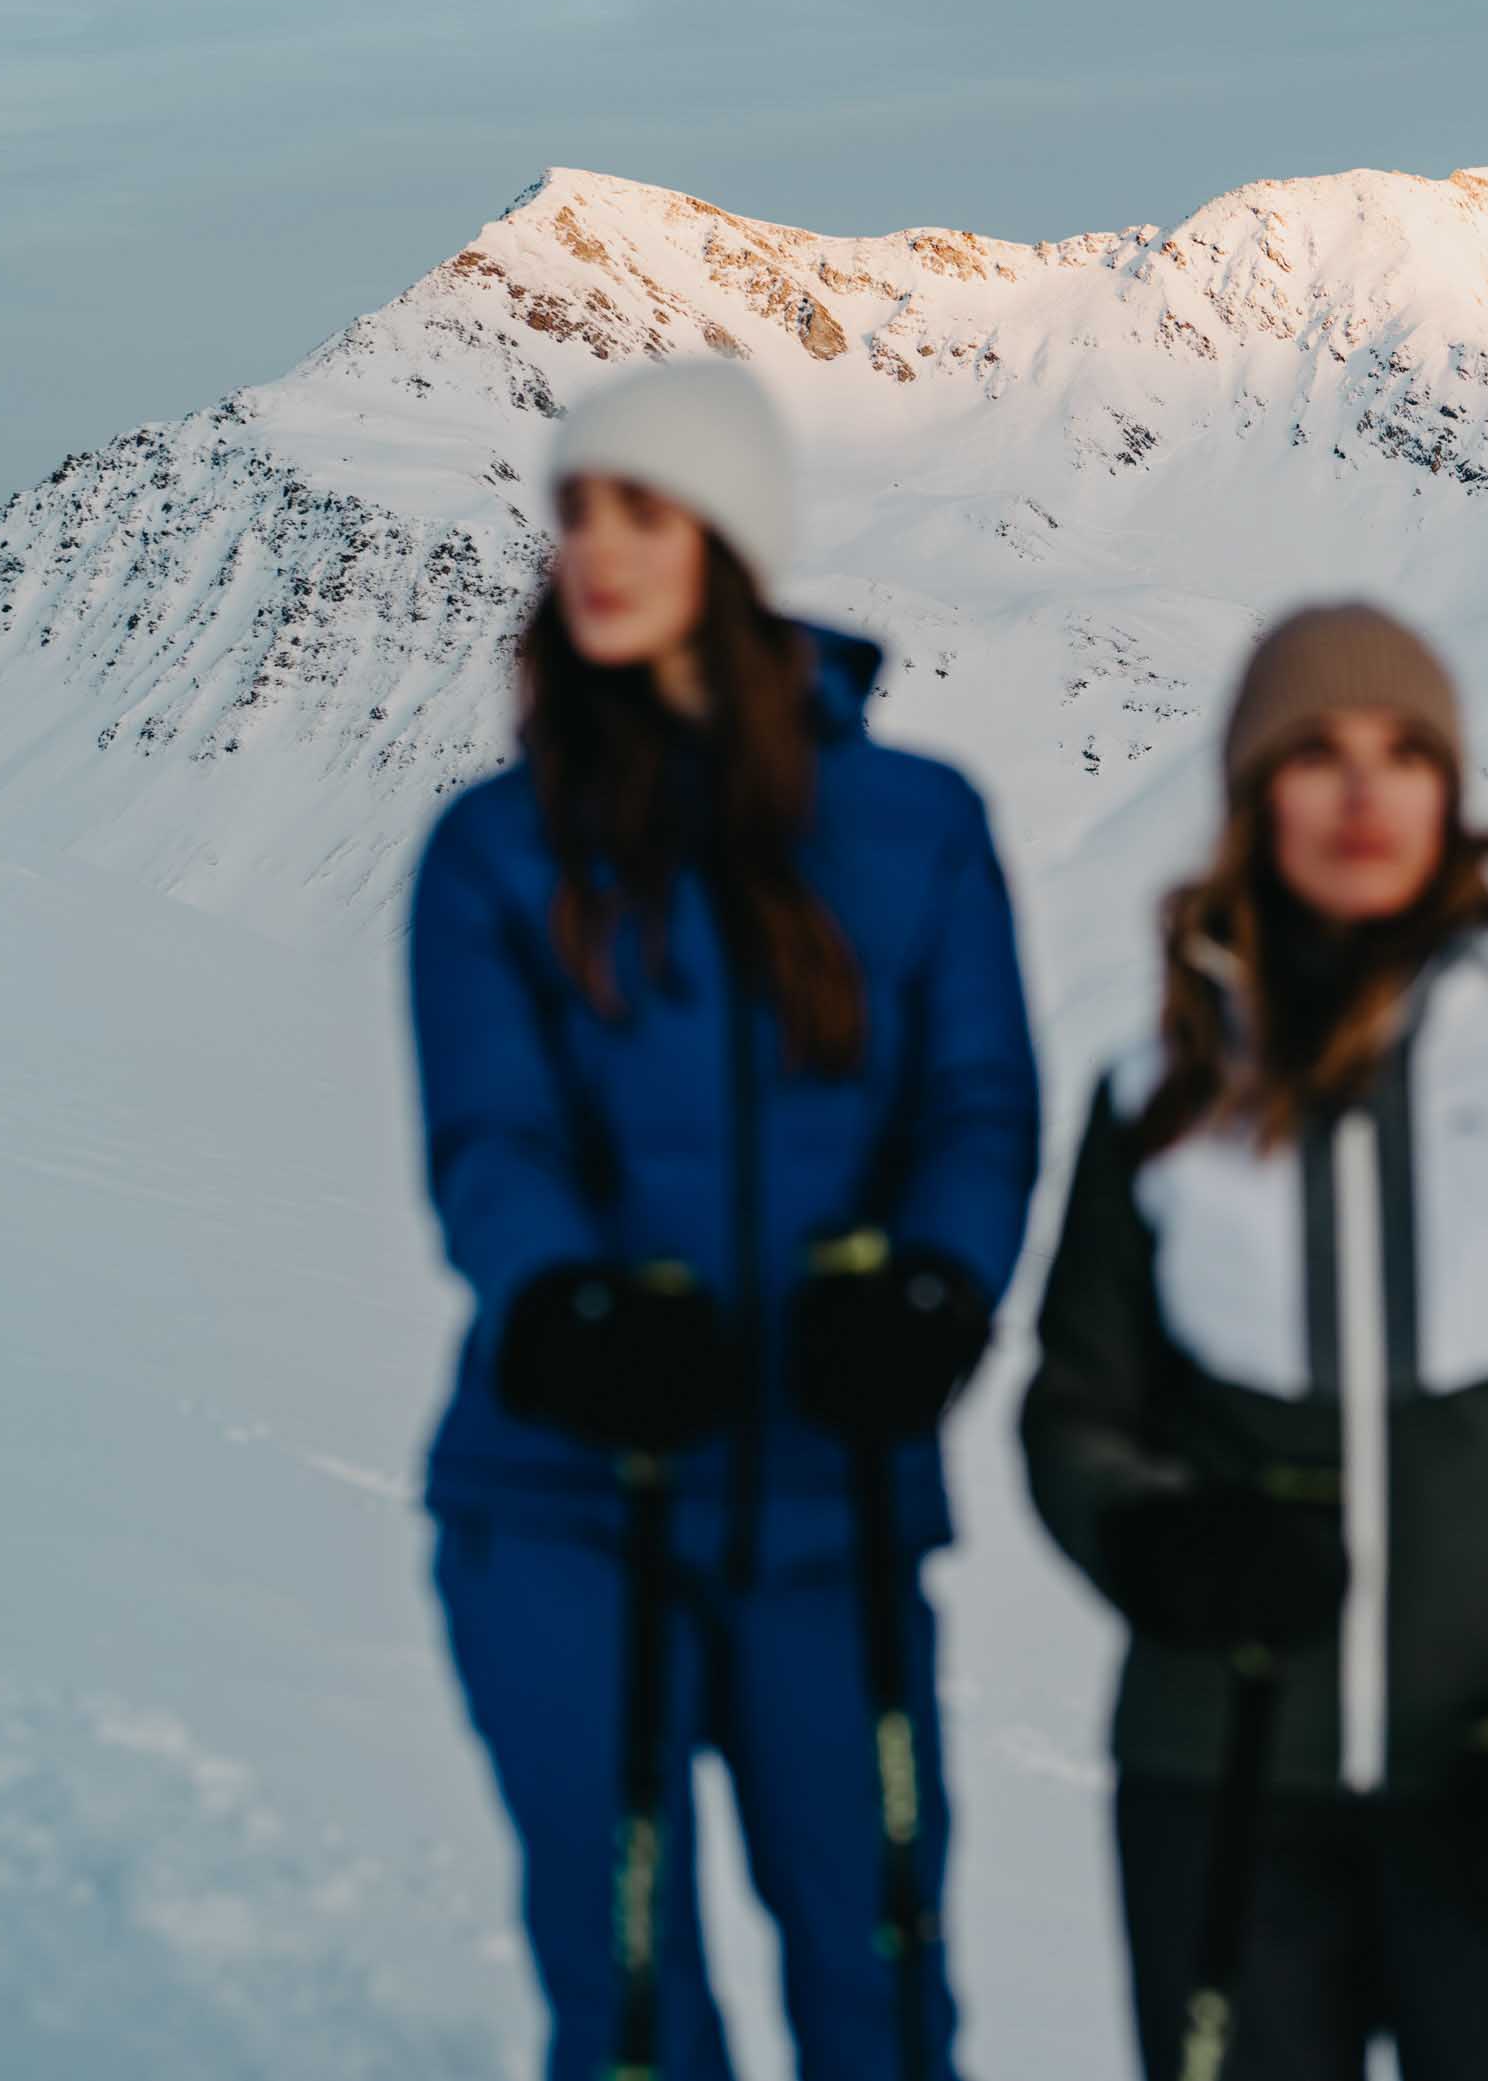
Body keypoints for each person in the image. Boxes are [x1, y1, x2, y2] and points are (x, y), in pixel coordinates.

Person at [407, 357, 1041, 2081]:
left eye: (646, 508)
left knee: (881, 1980)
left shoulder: (915, 830)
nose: (596, 547)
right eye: (577, 511)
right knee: (626, 1995)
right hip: (564, 1497)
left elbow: (976, 1112)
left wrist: (933, 1289)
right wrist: (564, 1306)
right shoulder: (496, 853)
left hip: (832, 1501)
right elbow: (491, 1140)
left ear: (735, 543)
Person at [1020, 603, 1488, 2081]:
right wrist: (1155, 1543)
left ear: (1449, 792)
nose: (1361, 791)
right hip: (1219, 1786)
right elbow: (1074, 1403)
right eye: (1315, 752)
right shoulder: (1162, 1085)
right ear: (1251, 794)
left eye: (1404, 753)